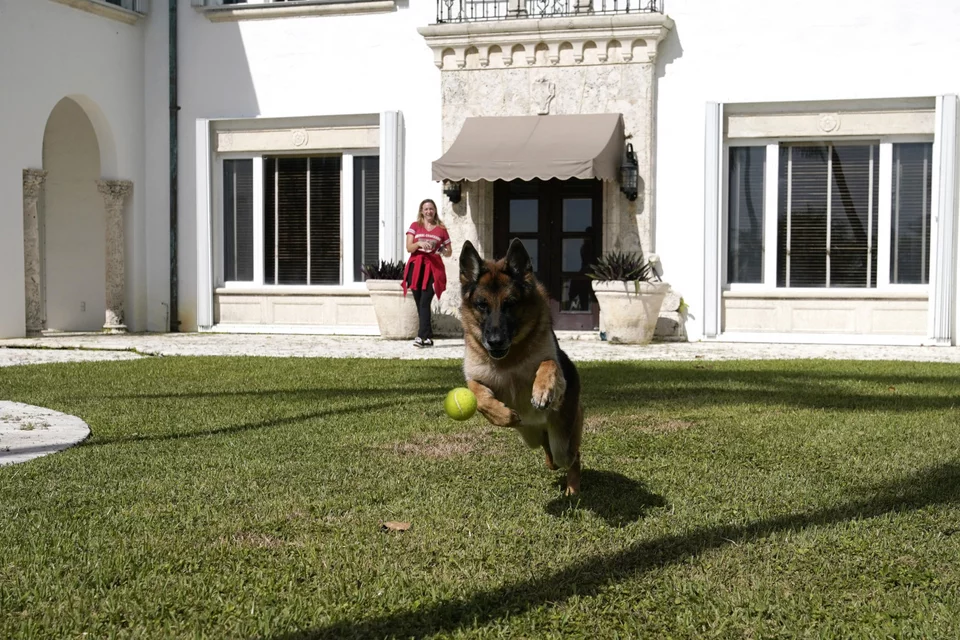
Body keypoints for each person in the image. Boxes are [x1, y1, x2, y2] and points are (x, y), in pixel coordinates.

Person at [403, 198, 452, 347]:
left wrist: (442, 250)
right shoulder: (415, 226)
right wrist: (419, 243)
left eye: (431, 209)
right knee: (419, 301)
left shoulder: (441, 229)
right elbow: (409, 248)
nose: (429, 211)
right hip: (416, 267)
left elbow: (449, 251)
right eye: (426, 209)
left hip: (432, 267)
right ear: (421, 211)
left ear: (435, 210)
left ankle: (421, 336)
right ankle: (428, 336)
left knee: (425, 300)